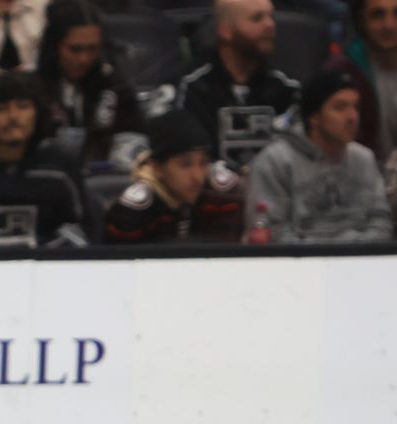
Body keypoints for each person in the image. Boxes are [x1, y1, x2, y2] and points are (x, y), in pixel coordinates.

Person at [246, 69, 392, 242]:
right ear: (314, 117)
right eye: (340, 107)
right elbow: (272, 232)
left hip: (360, 263)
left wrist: (354, 253)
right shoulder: (275, 161)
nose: (352, 117)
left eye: (356, 107)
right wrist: (324, 257)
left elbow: (382, 222)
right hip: (298, 265)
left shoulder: (364, 158)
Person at [0, 72, 88, 246]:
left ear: (38, 113)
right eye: (1, 109)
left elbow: (81, 230)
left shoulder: (60, 166)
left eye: (23, 106)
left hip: (46, 267)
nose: (12, 116)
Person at [174, 0, 302, 168]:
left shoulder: (287, 89)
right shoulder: (191, 88)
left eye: (271, 16)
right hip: (210, 192)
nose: (270, 25)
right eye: (257, 18)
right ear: (225, 30)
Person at [104, 109, 243, 243]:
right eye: (185, 164)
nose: (198, 176)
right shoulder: (132, 212)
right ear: (157, 168)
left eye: (204, 162)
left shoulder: (220, 196)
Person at [35, 0, 144, 169]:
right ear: (55, 46)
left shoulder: (115, 85)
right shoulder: (32, 88)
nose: (84, 59)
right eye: (75, 49)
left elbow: (133, 141)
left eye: (92, 49)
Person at [324, 0, 397, 161]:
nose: (389, 25)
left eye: (396, 13)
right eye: (378, 15)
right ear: (362, 21)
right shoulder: (342, 73)